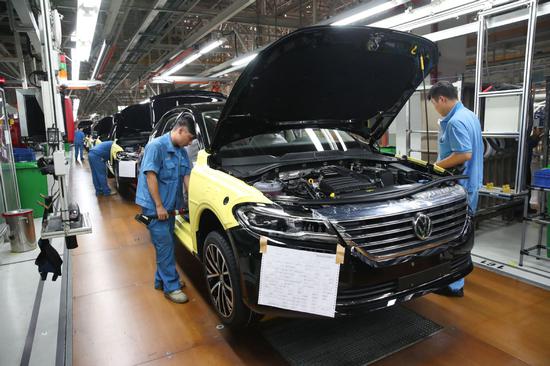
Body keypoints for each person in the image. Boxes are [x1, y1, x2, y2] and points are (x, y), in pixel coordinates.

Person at [429, 81, 483, 298]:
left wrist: (435, 166)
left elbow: (464, 154)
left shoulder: (455, 122)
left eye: (434, 104)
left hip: (461, 188)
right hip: (471, 183)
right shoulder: (470, 115)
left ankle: (453, 285)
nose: (436, 108)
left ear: (442, 99)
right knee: (464, 232)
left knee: (455, 235)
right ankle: (454, 279)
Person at [135, 115, 195, 304]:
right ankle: (171, 287)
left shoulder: (182, 152)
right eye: (190, 137)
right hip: (155, 207)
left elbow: (187, 179)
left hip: (170, 207)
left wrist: (193, 204)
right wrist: (159, 206)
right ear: (180, 130)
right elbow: (150, 177)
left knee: (166, 245)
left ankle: (161, 280)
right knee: (165, 245)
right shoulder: (156, 147)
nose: (190, 142)